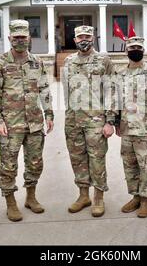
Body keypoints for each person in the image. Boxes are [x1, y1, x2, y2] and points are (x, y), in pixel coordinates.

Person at [0, 19, 54, 222]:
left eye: (23, 37)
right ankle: (10, 203)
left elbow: (44, 89)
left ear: (29, 38)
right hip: (10, 125)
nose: (20, 41)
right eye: (16, 37)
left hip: (34, 123)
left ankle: (31, 198)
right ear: (9, 38)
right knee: (8, 166)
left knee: (35, 163)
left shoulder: (37, 62)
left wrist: (49, 114)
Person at [62, 25, 116, 217]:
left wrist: (110, 121)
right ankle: (83, 195)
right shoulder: (68, 61)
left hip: (96, 121)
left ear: (93, 38)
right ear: (75, 40)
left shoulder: (103, 60)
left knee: (96, 159)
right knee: (77, 159)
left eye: (87, 36)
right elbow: (66, 91)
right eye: (80, 37)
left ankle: (99, 197)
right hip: (73, 120)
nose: (83, 39)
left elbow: (112, 90)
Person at [114, 37, 147, 218]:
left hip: (146, 130)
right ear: (126, 51)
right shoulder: (120, 74)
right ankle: (136, 197)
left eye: (138, 47)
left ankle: (146, 200)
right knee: (129, 166)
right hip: (127, 130)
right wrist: (115, 123)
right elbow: (116, 101)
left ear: (143, 50)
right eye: (131, 47)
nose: (135, 50)